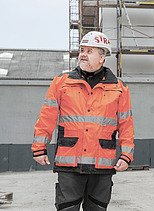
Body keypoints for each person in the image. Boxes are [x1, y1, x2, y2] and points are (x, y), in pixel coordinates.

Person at [31, 31, 134, 211]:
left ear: (102, 57)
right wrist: (39, 148)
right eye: (82, 50)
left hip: (102, 164)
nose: (83, 54)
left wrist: (126, 156)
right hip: (69, 164)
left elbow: (126, 125)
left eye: (90, 51)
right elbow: (47, 117)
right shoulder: (61, 83)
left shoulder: (119, 89)